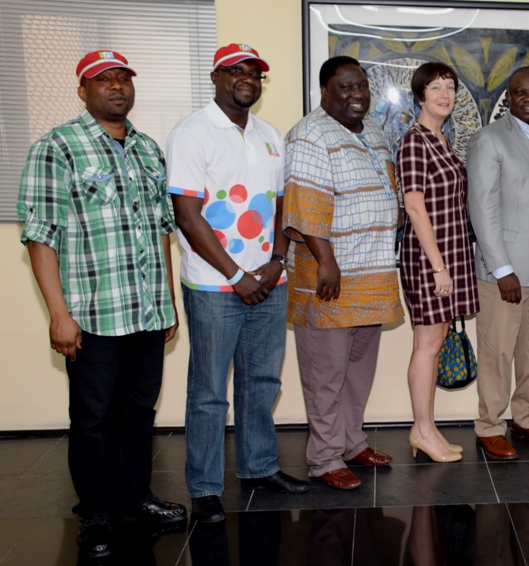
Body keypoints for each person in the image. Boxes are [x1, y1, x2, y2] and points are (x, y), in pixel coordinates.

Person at [18, 50, 186, 558]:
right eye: (103, 80)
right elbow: (41, 237)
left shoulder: (147, 150)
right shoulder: (58, 148)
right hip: (91, 315)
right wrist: (58, 314)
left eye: (123, 79)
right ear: (83, 90)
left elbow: (162, 231)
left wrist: (169, 301)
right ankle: (96, 511)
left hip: (147, 310)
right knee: (92, 417)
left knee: (138, 411)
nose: (116, 87)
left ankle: (136, 498)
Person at [167, 43, 309, 524]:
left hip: (270, 282)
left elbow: (282, 204)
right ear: (216, 77)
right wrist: (235, 275)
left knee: (262, 381)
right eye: (236, 71)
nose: (247, 78)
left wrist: (276, 260)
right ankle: (205, 488)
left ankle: (259, 468)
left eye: (255, 73)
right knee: (209, 390)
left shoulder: (270, 135)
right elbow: (187, 216)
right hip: (214, 286)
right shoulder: (192, 132)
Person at [282, 56, 402, 490]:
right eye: (345, 88)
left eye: (362, 87)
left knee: (357, 372)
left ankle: (353, 443)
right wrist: (326, 261)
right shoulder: (310, 134)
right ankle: (325, 457)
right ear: (324, 92)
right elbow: (304, 202)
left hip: (373, 276)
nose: (356, 96)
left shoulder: (375, 133)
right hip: (330, 279)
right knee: (325, 375)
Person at [466, 67, 529, 460]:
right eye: (519, 92)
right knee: (497, 350)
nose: (528, 98)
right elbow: (483, 209)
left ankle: (528, 418)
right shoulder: (489, 139)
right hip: (505, 270)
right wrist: (501, 268)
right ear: (508, 97)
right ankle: (489, 426)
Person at [397, 62, 479, 463]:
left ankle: (427, 428)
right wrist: (438, 267)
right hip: (430, 258)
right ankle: (422, 430)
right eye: (435, 88)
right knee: (428, 345)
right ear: (419, 95)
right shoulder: (414, 141)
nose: (444, 94)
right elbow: (414, 205)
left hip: (450, 253)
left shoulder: (440, 138)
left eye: (450, 87)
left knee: (435, 339)